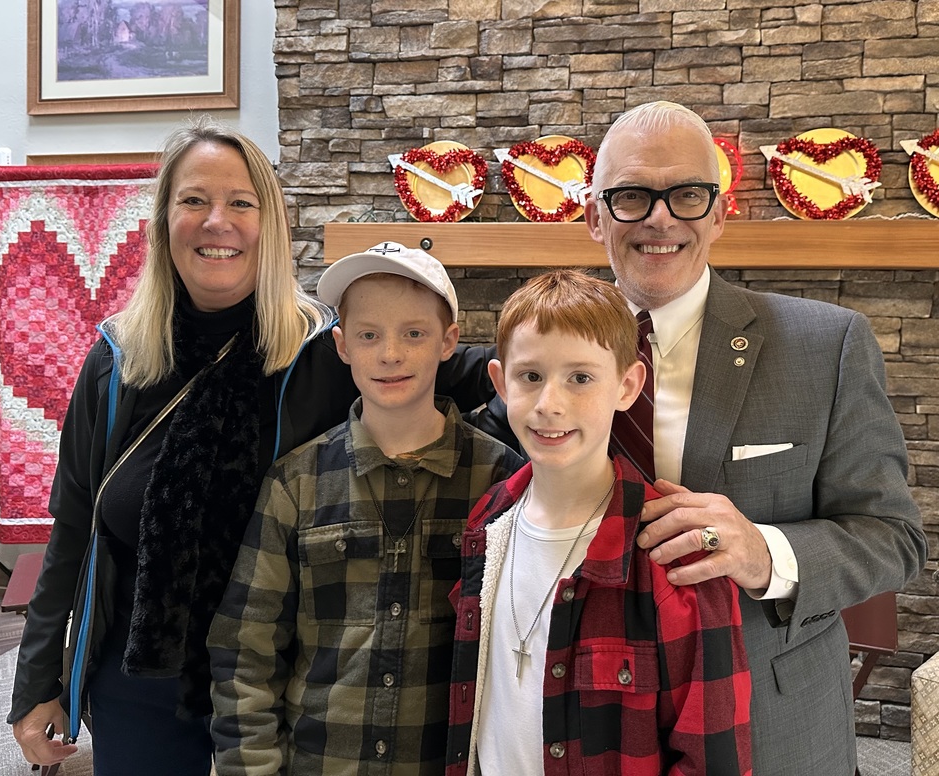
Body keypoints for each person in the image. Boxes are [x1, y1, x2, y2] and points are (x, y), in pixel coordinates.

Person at [7, 120, 499, 775]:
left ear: (270, 224)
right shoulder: (116, 362)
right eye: (194, 200)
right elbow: (72, 530)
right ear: (163, 220)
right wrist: (37, 681)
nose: (219, 221)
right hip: (140, 678)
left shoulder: (323, 352)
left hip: (286, 679)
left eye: (241, 202)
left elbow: (484, 370)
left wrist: (571, 375)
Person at [577, 101, 926, 775]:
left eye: (686, 195)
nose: (660, 218)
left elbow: (895, 540)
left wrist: (764, 551)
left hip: (770, 730)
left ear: (719, 211)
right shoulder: (540, 352)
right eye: (630, 196)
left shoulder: (827, 345)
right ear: (595, 216)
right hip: (588, 725)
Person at [207, 242, 523, 775]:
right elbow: (246, 651)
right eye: (369, 335)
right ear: (342, 345)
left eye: (414, 334)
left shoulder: (501, 480)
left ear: (449, 341)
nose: (390, 354)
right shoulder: (295, 484)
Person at [446, 269, 752, 775]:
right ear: (501, 383)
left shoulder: (674, 557)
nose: (550, 405)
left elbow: (713, 758)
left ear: (628, 385)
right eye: (531, 377)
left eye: (581, 378)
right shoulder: (487, 522)